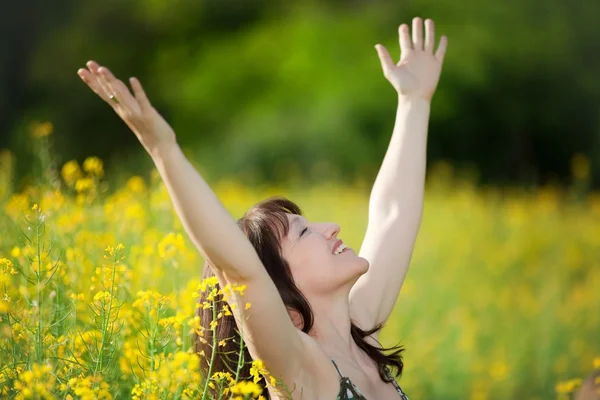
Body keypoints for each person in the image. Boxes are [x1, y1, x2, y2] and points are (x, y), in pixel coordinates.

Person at [77, 16, 447, 400]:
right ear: (282, 297)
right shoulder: (300, 370)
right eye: (304, 233)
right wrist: (163, 150)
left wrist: (414, 102)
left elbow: (393, 216)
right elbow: (239, 270)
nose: (333, 227)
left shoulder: (361, 332)